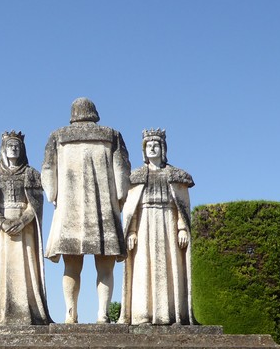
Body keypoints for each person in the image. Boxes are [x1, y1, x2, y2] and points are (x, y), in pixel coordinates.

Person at [42, 98, 131, 323]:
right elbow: (122, 173)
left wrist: (53, 196)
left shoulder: (58, 136)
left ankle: (70, 312)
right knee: (105, 265)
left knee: (71, 265)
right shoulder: (111, 135)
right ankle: (103, 313)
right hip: (103, 210)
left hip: (69, 209)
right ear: (94, 113)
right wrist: (119, 199)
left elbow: (48, 170)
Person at [119, 129, 194, 325]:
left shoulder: (175, 175)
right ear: (144, 150)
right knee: (143, 266)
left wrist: (182, 228)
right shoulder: (136, 177)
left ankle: (168, 313)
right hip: (144, 224)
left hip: (168, 222)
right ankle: (143, 313)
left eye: (156, 145)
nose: (152, 148)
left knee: (169, 268)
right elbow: (132, 207)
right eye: (148, 145)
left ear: (163, 148)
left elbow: (182, 207)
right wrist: (132, 230)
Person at [0, 131, 51, 325]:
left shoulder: (31, 174)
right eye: (10, 146)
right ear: (3, 149)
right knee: (0, 269)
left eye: (17, 146)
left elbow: (36, 204)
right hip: (0, 232)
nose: (14, 149)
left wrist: (23, 220)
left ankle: (29, 311)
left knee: (26, 269)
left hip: (24, 230)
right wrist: (2, 221)